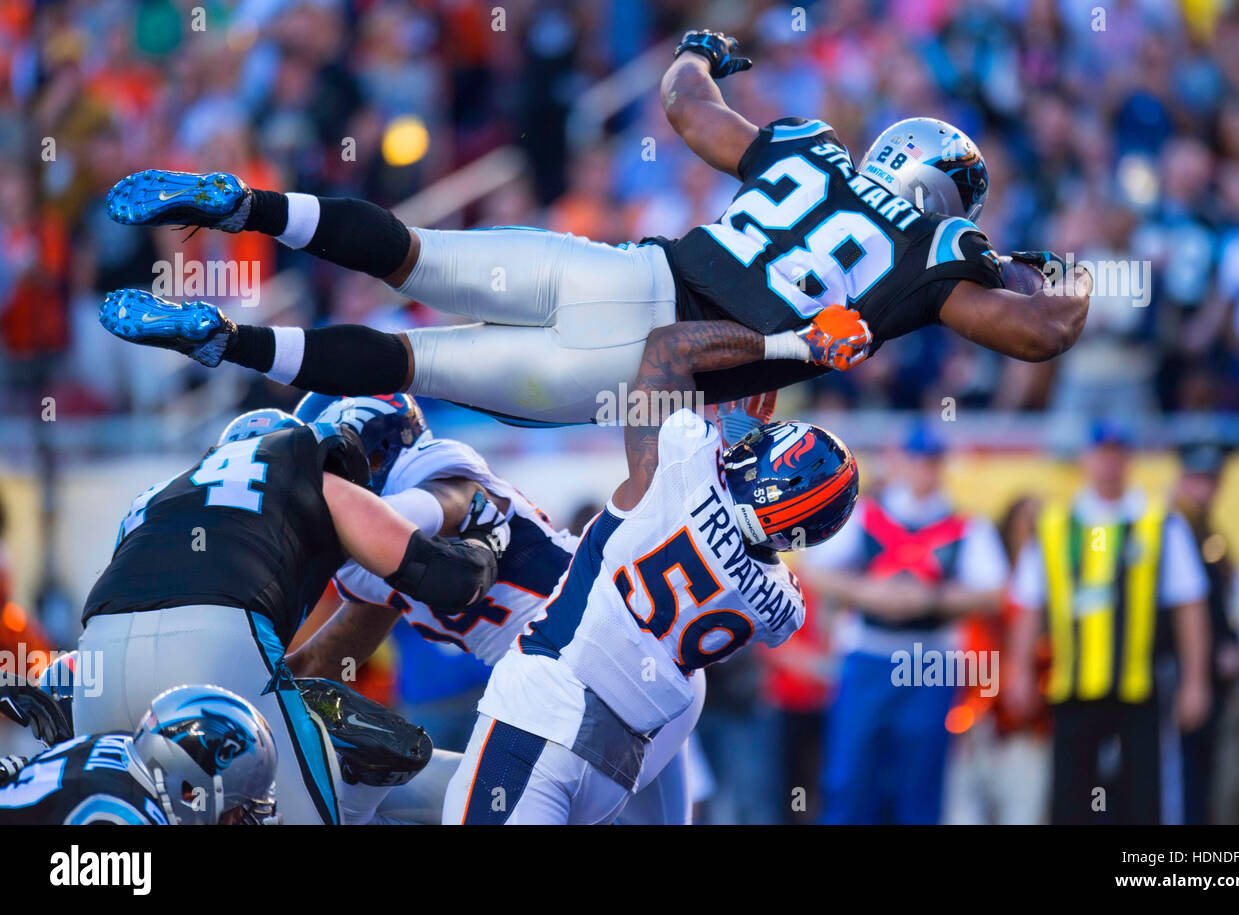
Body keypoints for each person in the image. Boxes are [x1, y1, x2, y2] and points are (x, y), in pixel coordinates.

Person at [95, 29, 1090, 426]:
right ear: (952, 202)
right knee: (414, 366)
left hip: (611, 273)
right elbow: (1037, 334)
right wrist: (1072, 283)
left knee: (414, 250)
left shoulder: (813, 148)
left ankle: (248, 207)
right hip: (652, 367)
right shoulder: (938, 251)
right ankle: (225, 340)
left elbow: (687, 109)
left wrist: (700, 50)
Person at [441, 318, 863, 823]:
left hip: (541, 714)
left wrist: (795, 344)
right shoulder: (781, 608)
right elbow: (745, 537)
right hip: (617, 765)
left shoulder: (683, 464)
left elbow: (667, 346)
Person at [284, 393, 705, 824]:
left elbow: (444, 508)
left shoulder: (431, 474)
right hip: (620, 673)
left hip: (592, 675)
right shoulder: (375, 554)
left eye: (331, 469)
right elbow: (327, 658)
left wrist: (319, 522)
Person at [73, 408, 507, 824]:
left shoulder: (156, 494)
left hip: (98, 661)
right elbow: (446, 578)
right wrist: (488, 534)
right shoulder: (300, 465)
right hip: (216, 645)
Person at [797, 424, 1009, 824]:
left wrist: (931, 600)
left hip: (930, 658)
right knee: (850, 775)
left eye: (930, 462)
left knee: (921, 779)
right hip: (868, 653)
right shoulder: (865, 515)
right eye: (915, 460)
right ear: (900, 462)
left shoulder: (964, 526)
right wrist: (867, 593)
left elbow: (994, 591)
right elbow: (814, 568)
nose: (921, 470)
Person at [1005, 420, 1212, 824]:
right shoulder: (1055, 526)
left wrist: (1195, 681)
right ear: (1086, 457)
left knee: (1142, 799)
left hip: (1138, 686)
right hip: (1071, 686)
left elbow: (1190, 605)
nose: (1109, 463)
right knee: (1070, 798)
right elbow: (1028, 604)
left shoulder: (1158, 523)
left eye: (1118, 453)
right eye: (1102, 452)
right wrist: (1019, 672)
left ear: (1129, 459)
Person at [0, 684, 277, 825]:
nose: (238, 819)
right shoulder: (123, 814)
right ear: (193, 791)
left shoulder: (121, 745)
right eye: (235, 812)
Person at [1172, 440, 1239, 824]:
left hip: (1214, 685)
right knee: (1182, 787)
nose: (1207, 487)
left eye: (1213, 478)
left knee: (1212, 788)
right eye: (1198, 477)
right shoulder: (1170, 528)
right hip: (1179, 682)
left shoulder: (1212, 537)